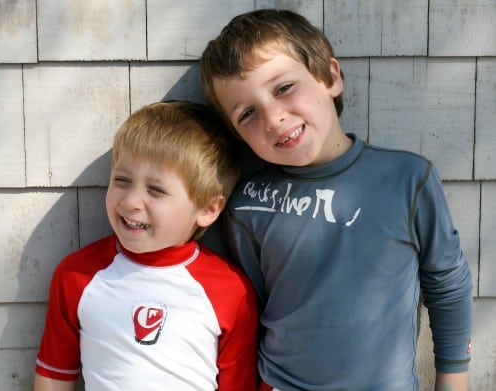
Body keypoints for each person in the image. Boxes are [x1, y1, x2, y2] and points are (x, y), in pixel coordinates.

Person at [200, 9, 473, 391]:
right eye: (247, 113)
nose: (273, 118)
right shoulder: (248, 203)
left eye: (283, 88)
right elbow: (251, 306)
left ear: (330, 76)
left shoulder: (406, 180)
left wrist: (453, 381)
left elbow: (448, 286)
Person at [34, 101, 259, 391]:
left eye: (156, 190)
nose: (130, 202)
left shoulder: (231, 291)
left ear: (207, 209)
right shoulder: (77, 276)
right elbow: (54, 374)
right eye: (122, 180)